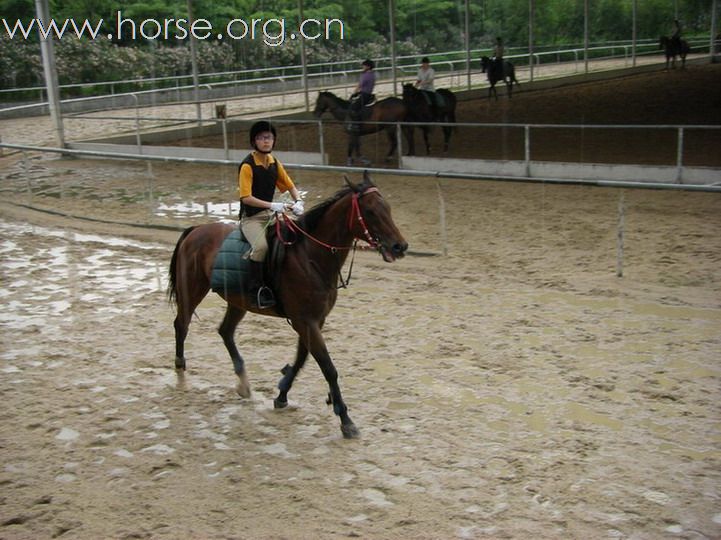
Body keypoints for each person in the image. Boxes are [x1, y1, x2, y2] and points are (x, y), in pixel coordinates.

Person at [239, 120, 303, 309]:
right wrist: (273, 204)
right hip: (252, 218)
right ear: (254, 141)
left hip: (270, 214)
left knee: (294, 237)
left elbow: (289, 185)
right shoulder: (247, 166)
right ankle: (255, 289)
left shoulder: (275, 163)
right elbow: (246, 197)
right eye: (261, 138)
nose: (266, 141)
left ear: (274, 141)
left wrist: (298, 201)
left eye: (269, 138)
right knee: (261, 247)